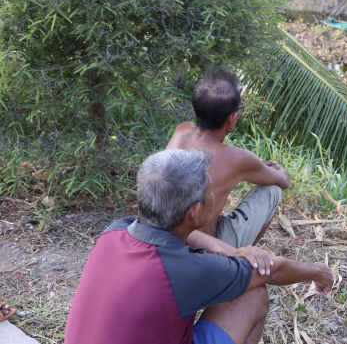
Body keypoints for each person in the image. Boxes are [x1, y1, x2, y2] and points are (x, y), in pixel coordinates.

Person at [65, 149, 333, 344]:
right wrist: (318, 271)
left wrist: (232, 250)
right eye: (210, 192)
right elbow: (270, 272)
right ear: (194, 211)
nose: (214, 197)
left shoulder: (114, 232)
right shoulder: (182, 271)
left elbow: (190, 237)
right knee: (252, 296)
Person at [167, 68, 288, 257]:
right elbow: (283, 181)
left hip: (169, 240)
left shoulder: (182, 130)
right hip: (205, 250)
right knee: (273, 190)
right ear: (232, 118)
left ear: (194, 110)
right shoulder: (238, 158)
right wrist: (275, 168)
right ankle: (239, 263)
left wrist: (253, 167)